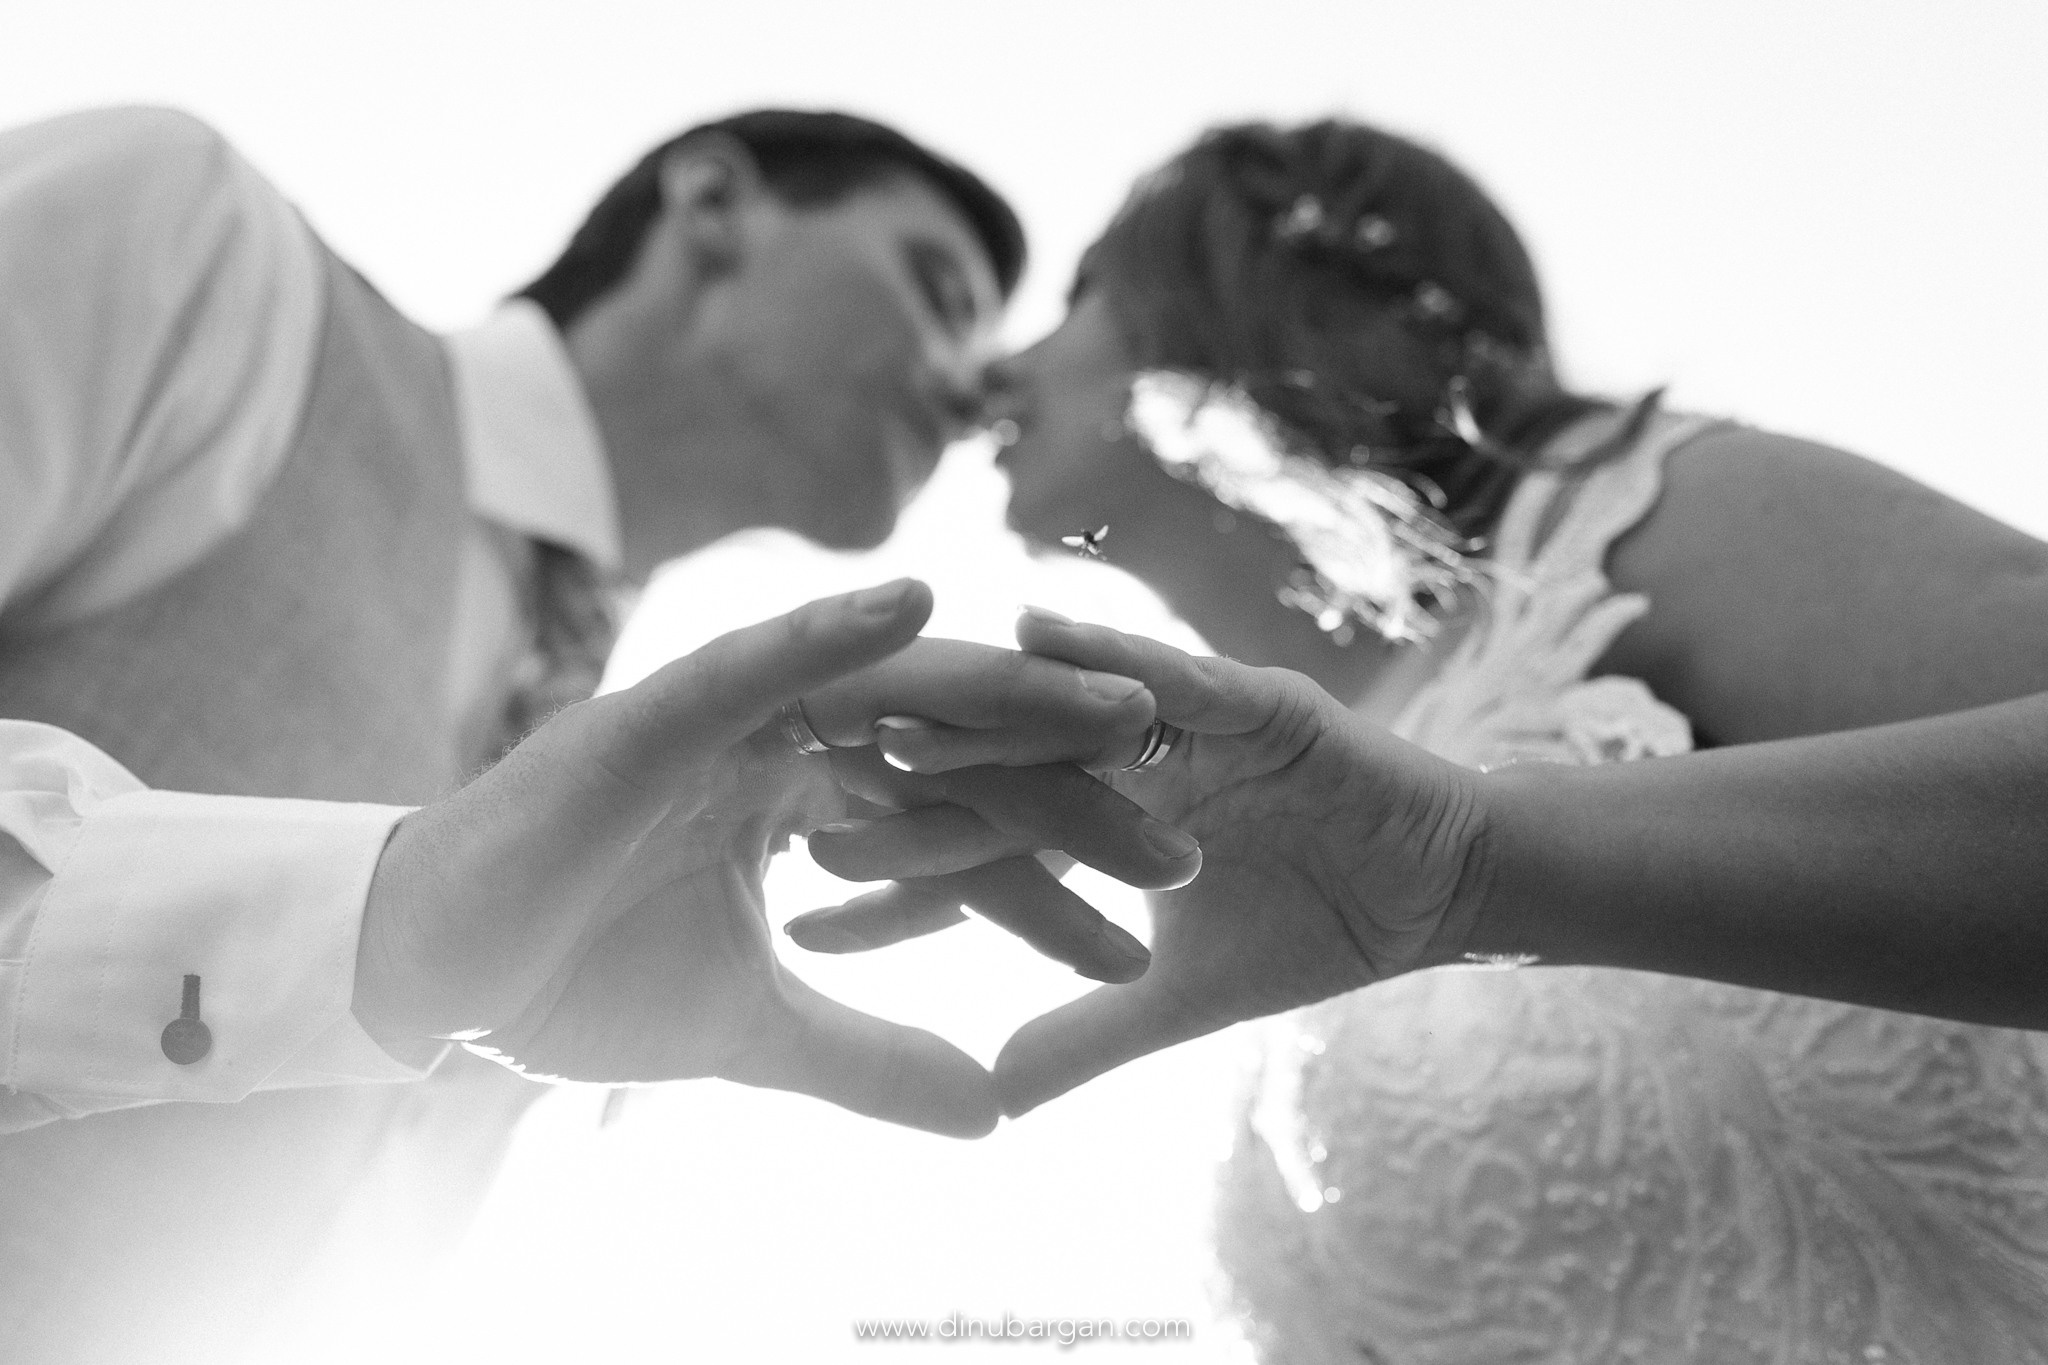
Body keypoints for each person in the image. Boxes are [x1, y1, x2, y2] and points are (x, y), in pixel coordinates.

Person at [792, 120, 2048, 1360]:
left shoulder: (1635, 529)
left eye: (1081, 298)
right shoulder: (1222, 832)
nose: (998, 373)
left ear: (1237, 301)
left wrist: (1474, 863)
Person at [0, 105, 1198, 1363]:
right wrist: (383, 921)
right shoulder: (195, 253)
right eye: (938, 289)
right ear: (714, 207)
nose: (971, 393)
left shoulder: (653, 807)